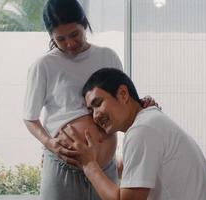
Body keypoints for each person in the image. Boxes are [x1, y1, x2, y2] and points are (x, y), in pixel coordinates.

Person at [23, 0, 155, 199]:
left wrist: (145, 105)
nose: (69, 43)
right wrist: (51, 144)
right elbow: (30, 118)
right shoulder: (44, 66)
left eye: (74, 34)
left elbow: (124, 101)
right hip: (63, 167)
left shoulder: (107, 56)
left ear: (84, 23)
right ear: (51, 36)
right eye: (60, 39)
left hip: (104, 169)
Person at [62, 68, 206, 200]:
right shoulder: (151, 120)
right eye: (90, 111)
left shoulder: (142, 130)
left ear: (123, 94)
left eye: (98, 104)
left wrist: (89, 165)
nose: (95, 116)